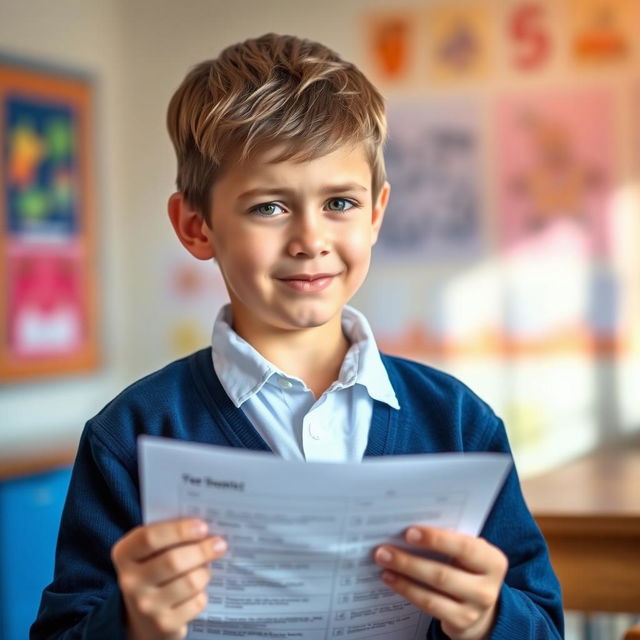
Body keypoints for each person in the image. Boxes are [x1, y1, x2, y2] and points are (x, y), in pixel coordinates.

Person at [31, 33, 563, 640]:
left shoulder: (460, 426)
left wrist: (488, 617)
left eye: (339, 201)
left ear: (377, 213)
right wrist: (130, 624)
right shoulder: (130, 436)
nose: (310, 239)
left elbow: (542, 623)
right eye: (268, 208)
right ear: (196, 226)